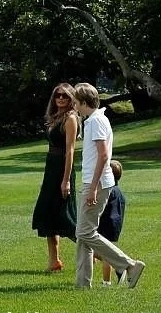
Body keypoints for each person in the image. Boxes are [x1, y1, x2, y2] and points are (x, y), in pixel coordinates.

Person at [72, 82, 145, 289]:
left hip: (96, 183)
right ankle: (82, 284)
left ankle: (129, 265)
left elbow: (103, 155)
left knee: (86, 232)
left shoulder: (95, 121)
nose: (74, 106)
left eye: (76, 102)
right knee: (83, 233)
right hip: (94, 182)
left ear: (84, 102)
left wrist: (93, 186)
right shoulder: (95, 119)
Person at [31, 83, 79, 273]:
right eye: (58, 95)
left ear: (71, 99)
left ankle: (94, 252)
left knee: (66, 218)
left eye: (65, 96)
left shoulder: (70, 119)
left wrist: (66, 180)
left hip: (62, 168)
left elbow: (70, 151)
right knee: (48, 214)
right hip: (51, 168)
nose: (60, 99)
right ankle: (54, 261)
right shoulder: (54, 117)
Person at [95, 160, 127, 285]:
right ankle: (120, 266)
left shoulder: (109, 191)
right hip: (115, 225)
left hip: (106, 225)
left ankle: (106, 281)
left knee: (106, 255)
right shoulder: (119, 192)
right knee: (94, 250)